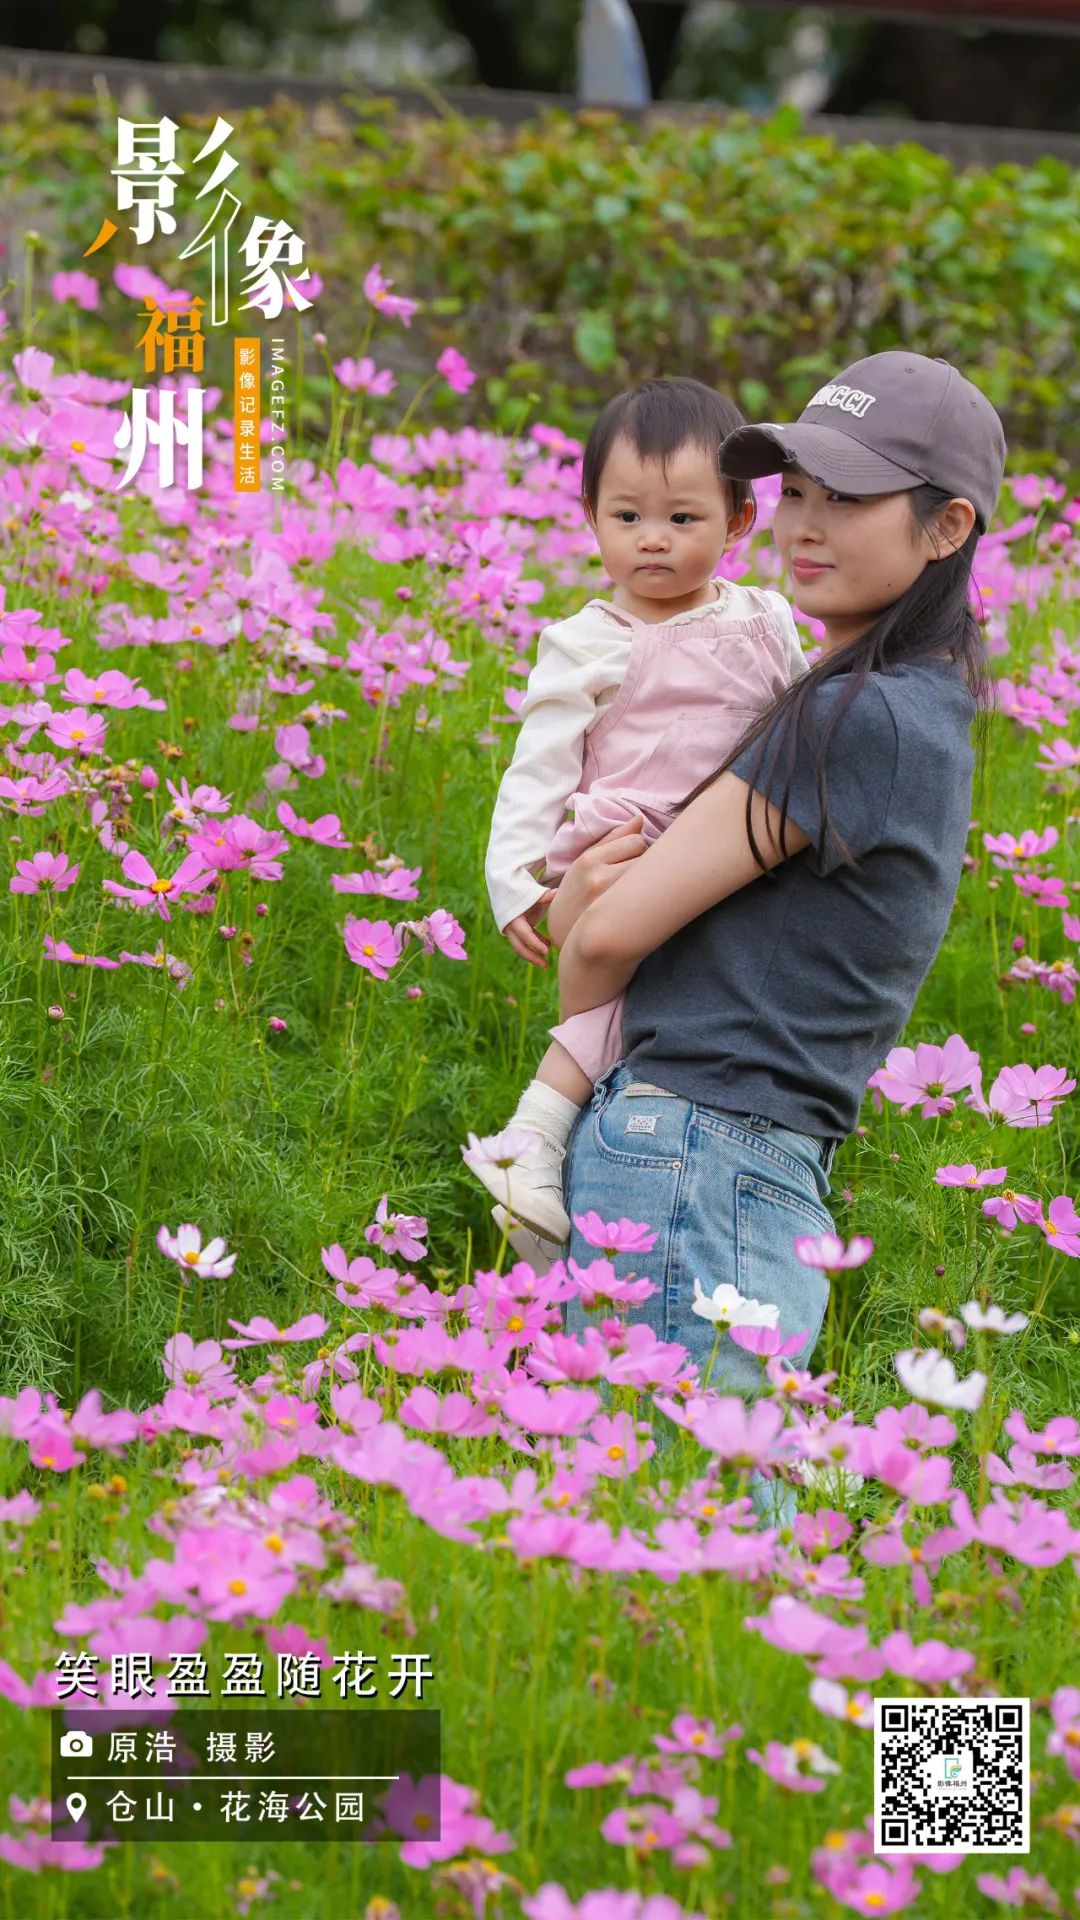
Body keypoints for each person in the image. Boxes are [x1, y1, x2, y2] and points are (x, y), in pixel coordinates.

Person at [541, 351, 1006, 1418]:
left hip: (692, 1151)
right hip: (736, 1159)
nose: (804, 524)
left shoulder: (856, 717)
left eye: (848, 498)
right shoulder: (913, 708)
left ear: (947, 528)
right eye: (794, 490)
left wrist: (578, 951)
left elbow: (610, 938)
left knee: (679, 1536)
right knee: (703, 1539)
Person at [471, 378, 808, 1243]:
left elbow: (801, 711)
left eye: (683, 519)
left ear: (739, 522)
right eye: (627, 518)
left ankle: (556, 1153)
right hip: (631, 840)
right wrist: (513, 879)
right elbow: (538, 764)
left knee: (678, 1003)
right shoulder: (587, 638)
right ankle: (533, 1140)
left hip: (729, 836)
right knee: (631, 997)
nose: (652, 540)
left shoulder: (768, 617)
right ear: (591, 517)